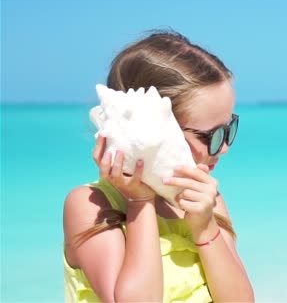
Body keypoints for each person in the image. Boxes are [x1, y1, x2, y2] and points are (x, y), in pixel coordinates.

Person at [63, 31, 254, 302]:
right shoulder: (90, 205)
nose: (224, 148)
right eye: (209, 136)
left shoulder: (206, 202)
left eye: (229, 128)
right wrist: (139, 201)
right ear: (159, 133)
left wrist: (204, 227)